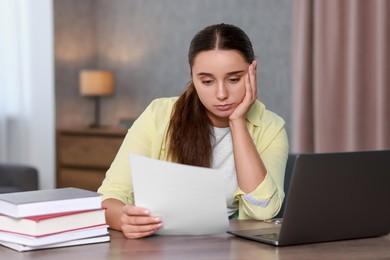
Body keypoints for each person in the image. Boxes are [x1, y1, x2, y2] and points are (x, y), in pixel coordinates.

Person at [97, 23, 289, 239]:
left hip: (233, 246)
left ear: (252, 72)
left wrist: (237, 122)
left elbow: (264, 211)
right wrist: (123, 218)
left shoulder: (271, 127)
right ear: (193, 77)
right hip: (159, 245)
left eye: (234, 79)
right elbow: (109, 196)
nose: (221, 93)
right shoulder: (158, 115)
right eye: (207, 81)